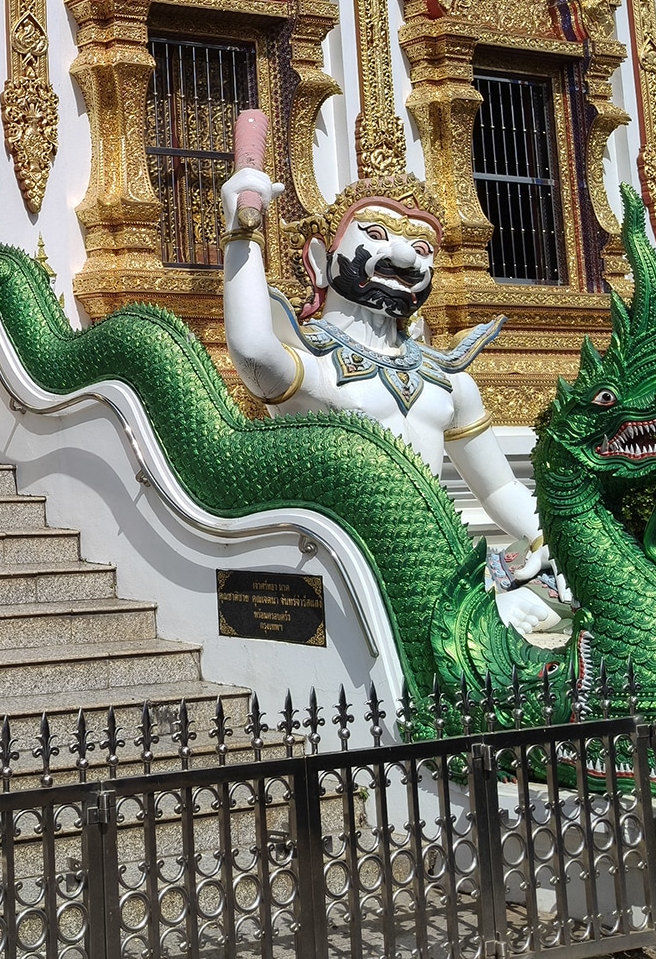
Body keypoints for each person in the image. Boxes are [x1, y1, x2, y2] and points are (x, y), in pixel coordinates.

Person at [219, 167, 562, 635]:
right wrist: (242, 234)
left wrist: (558, 541)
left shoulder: (447, 380)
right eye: (376, 235)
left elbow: (500, 490)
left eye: (422, 249)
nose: (405, 257)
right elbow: (255, 351)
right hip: (346, 566)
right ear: (320, 259)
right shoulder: (316, 367)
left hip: (436, 559)